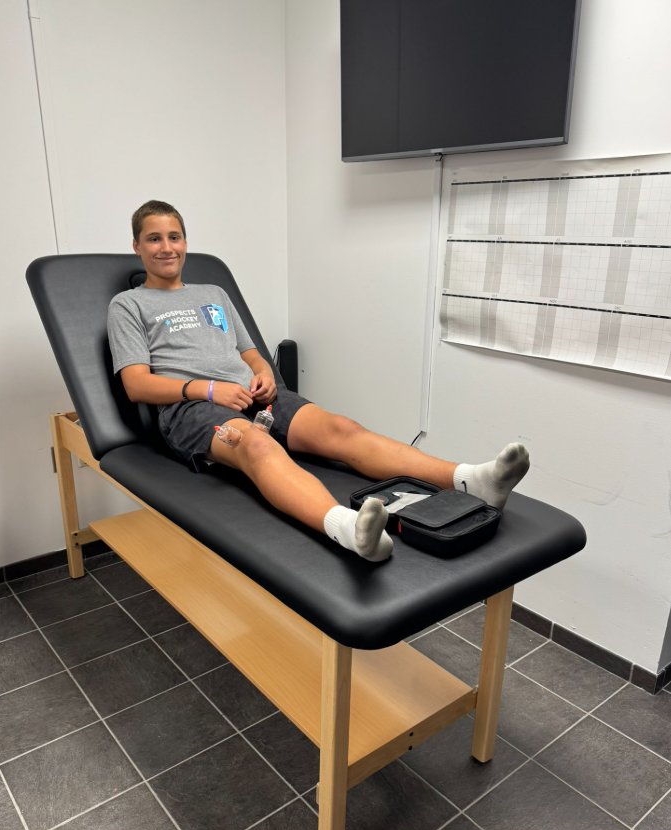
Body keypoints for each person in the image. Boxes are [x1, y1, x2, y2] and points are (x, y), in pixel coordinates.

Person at [107, 200, 530, 563]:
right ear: (136, 246)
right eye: (154, 238)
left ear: (185, 241)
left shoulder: (214, 294)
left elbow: (249, 352)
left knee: (342, 428)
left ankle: (472, 480)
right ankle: (348, 530)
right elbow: (137, 386)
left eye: (174, 237)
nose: (167, 248)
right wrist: (207, 389)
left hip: (252, 396)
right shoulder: (128, 305)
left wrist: (263, 377)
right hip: (192, 410)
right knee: (257, 445)